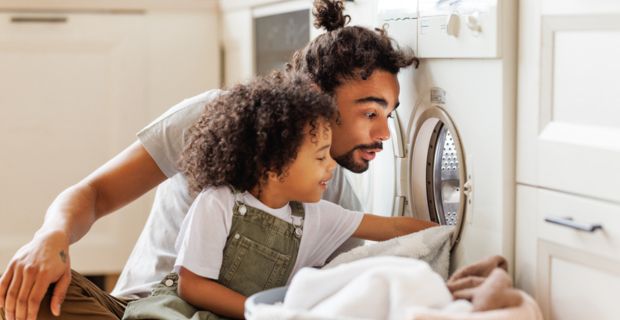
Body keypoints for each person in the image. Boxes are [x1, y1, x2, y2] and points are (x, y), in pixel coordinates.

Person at [0, 0, 418, 319]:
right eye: (369, 112)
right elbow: (95, 193)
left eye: (389, 116)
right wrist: (50, 236)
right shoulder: (218, 118)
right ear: (314, 93)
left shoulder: (331, 194)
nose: (382, 134)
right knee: (24, 296)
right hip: (139, 309)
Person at [121, 72, 435, 320]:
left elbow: (391, 228)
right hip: (182, 312)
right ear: (274, 164)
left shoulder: (316, 214)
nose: (331, 167)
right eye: (321, 157)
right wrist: (261, 312)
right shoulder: (218, 202)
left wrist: (451, 232)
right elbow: (192, 286)